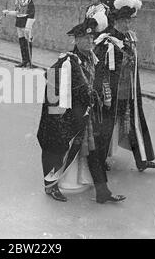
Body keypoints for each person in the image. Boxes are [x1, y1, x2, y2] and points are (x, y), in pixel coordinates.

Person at [37, 13, 126, 204]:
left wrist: (101, 97)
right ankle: (50, 186)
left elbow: (99, 83)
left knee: (95, 152)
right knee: (61, 150)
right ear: (76, 40)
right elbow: (51, 77)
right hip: (70, 117)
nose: (89, 41)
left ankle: (103, 192)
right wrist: (57, 116)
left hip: (87, 116)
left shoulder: (93, 59)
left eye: (91, 37)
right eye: (85, 38)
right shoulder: (68, 61)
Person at [93, 0, 155, 172]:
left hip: (128, 91)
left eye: (129, 21)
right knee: (106, 127)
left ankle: (143, 160)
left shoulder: (130, 38)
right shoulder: (106, 40)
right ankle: (99, 161)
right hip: (112, 93)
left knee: (134, 124)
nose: (127, 24)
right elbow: (100, 68)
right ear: (115, 21)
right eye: (124, 21)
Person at [2, 0, 35, 68]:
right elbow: (17, 12)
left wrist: (29, 26)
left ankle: (29, 61)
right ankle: (24, 60)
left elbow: (32, 13)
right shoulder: (18, 0)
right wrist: (8, 12)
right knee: (21, 42)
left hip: (26, 22)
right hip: (19, 22)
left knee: (27, 42)